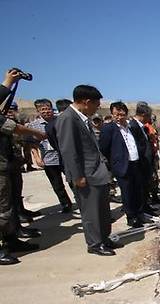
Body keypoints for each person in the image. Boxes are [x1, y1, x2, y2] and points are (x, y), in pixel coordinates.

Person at [57, 85, 116, 256]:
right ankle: (95, 244)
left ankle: (104, 238)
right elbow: (68, 150)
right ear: (86, 101)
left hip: (97, 173)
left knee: (103, 210)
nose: (98, 107)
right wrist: (78, 176)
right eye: (96, 104)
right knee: (91, 212)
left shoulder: (82, 118)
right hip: (86, 174)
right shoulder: (68, 119)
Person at [0, 68, 47, 264]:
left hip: (6, 165)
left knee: (9, 206)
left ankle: (11, 239)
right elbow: (10, 126)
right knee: (2, 210)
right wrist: (8, 82)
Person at [99, 101, 146, 228]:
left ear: (126, 114)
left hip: (135, 162)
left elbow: (139, 142)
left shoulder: (131, 127)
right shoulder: (108, 129)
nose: (119, 117)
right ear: (112, 114)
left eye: (122, 114)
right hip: (122, 165)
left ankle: (140, 213)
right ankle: (131, 217)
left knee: (138, 190)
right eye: (116, 115)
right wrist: (114, 160)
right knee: (127, 192)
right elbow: (103, 148)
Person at [27, 99, 73, 214]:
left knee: (73, 180)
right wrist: (37, 158)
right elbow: (33, 144)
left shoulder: (60, 120)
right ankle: (65, 204)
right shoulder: (34, 125)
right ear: (38, 111)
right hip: (48, 159)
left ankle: (80, 200)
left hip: (64, 157)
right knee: (57, 184)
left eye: (48, 109)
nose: (46, 111)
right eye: (43, 109)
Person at [129, 102, 158, 211]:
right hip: (140, 164)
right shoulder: (133, 126)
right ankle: (141, 210)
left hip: (146, 163)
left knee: (145, 187)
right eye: (148, 116)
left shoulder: (142, 127)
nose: (149, 119)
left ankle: (146, 207)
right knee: (140, 188)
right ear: (143, 115)